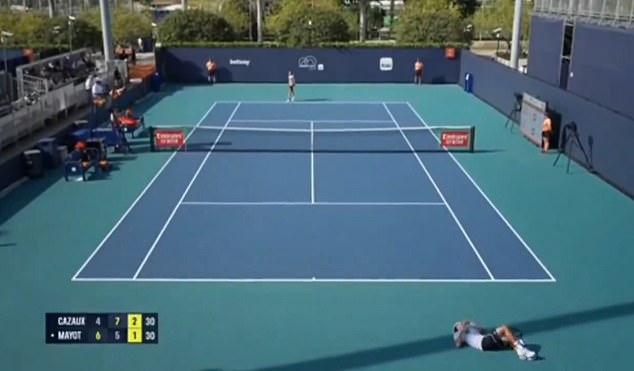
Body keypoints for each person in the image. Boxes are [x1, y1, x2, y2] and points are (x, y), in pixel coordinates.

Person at [453, 320, 537, 361]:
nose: (460, 324)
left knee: (507, 339)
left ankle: (522, 353)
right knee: (504, 329)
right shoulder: (459, 335)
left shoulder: (470, 329)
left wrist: (471, 325)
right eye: (458, 325)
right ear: (457, 329)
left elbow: (483, 330)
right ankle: (519, 347)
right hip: (483, 342)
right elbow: (458, 344)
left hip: (486, 341)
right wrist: (463, 330)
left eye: (460, 323)